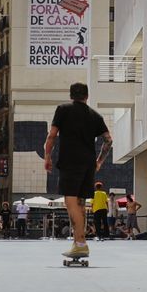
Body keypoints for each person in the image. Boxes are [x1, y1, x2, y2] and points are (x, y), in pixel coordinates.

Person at [44, 82, 113, 262]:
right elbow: (108, 141)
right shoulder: (94, 115)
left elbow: (51, 136)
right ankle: (77, 243)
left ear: (71, 95)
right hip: (88, 163)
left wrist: (47, 156)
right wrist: (99, 162)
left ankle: (81, 243)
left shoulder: (63, 110)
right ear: (87, 96)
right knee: (81, 203)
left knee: (70, 201)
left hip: (70, 161)